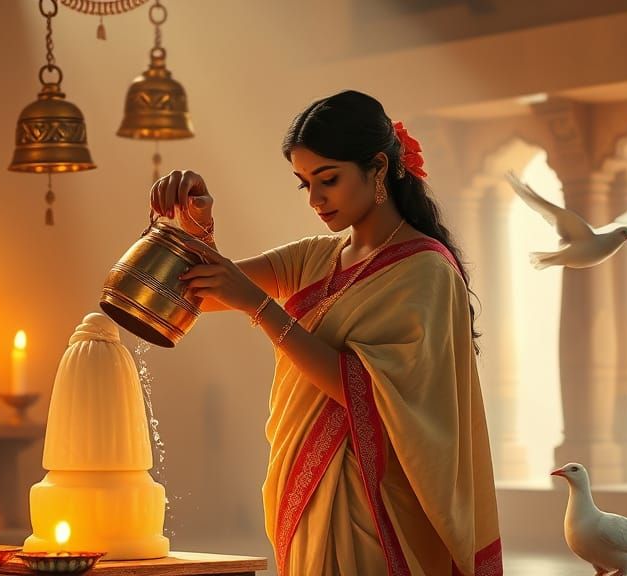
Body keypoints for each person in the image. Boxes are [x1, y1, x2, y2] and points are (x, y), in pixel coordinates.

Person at [150, 90, 501, 576]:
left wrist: (260, 307)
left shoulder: (425, 271)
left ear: (379, 168)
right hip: (306, 489)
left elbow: (370, 394)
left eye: (328, 180)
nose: (316, 199)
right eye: (304, 184)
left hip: (370, 505)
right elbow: (193, 295)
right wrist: (195, 227)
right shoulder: (316, 256)